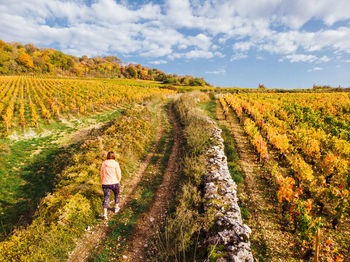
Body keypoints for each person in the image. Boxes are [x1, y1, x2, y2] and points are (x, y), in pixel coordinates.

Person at [100, 151, 122, 220]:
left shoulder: (104, 163)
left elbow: (101, 174)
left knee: (106, 197)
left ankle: (105, 214)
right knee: (116, 194)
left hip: (105, 183)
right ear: (114, 156)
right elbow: (118, 173)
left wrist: (102, 181)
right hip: (114, 182)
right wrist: (118, 180)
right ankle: (116, 208)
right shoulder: (116, 164)